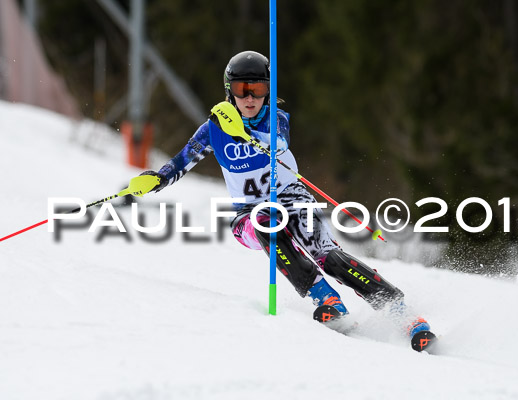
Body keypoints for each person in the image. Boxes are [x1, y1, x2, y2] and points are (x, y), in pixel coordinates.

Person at [128, 50, 435, 351]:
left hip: (292, 198)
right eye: (241, 91)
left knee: (328, 256)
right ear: (229, 92)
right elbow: (181, 162)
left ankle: (402, 314)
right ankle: (325, 297)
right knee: (265, 219)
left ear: (268, 91)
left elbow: (279, 143)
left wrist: (246, 134)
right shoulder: (213, 129)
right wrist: (157, 179)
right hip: (248, 214)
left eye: (258, 90)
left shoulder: (276, 119)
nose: (250, 99)